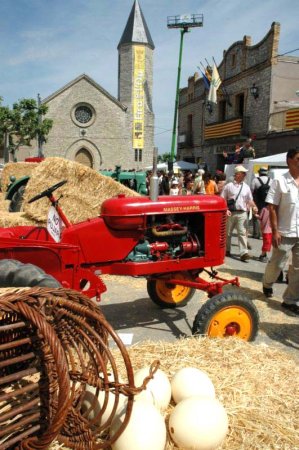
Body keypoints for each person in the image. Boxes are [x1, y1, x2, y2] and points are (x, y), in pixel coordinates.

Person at [262, 148, 299, 315]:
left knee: (298, 269)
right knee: (277, 264)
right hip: (284, 232)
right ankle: (267, 283)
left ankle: (290, 300)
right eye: (298, 158)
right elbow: (272, 208)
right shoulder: (280, 181)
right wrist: (275, 231)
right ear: (289, 161)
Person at [221, 165, 258, 262]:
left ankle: (244, 253)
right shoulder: (228, 186)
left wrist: (254, 206)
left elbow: (250, 200)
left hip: (242, 213)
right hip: (230, 213)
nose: (245, 175)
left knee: (242, 233)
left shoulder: (246, 187)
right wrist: (226, 209)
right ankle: (227, 250)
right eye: (243, 173)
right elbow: (222, 199)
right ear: (237, 174)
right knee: (227, 233)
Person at [251, 167, 271, 239]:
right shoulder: (271, 180)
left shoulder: (255, 180)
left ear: (259, 173)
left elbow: (252, 190)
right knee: (266, 218)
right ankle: (265, 233)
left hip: (257, 202)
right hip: (267, 203)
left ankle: (256, 234)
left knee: (256, 217)